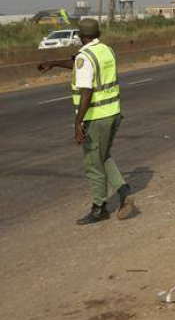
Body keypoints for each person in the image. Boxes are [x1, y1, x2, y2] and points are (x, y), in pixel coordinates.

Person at [38, 18, 136, 224]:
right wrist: (54, 63)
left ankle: (99, 208)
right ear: (97, 34)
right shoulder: (106, 50)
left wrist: (78, 122)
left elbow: (86, 90)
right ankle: (124, 191)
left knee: (93, 163)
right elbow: (79, 65)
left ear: (80, 36)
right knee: (104, 156)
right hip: (113, 113)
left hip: (96, 117)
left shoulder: (85, 56)